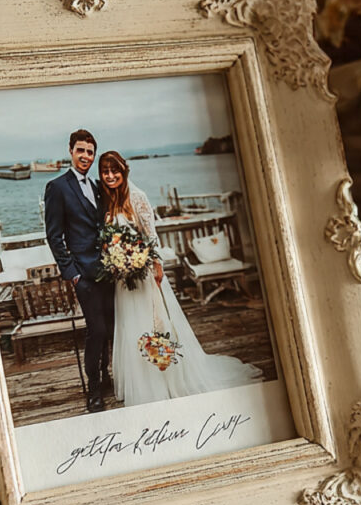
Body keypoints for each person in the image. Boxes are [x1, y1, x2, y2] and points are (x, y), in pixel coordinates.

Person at [97, 151, 262, 407]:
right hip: (122, 280)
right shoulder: (107, 202)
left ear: (123, 170)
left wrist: (155, 264)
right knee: (130, 325)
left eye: (114, 170)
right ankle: (140, 382)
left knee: (152, 323)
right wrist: (116, 260)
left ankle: (164, 379)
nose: (110, 176)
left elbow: (151, 236)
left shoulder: (137, 198)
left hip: (143, 275)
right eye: (105, 172)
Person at [44, 129, 115, 413]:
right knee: (95, 331)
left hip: (108, 271)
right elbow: (54, 235)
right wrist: (71, 272)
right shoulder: (57, 187)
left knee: (109, 328)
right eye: (81, 150)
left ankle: (107, 374)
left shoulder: (98, 186)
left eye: (90, 151)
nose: (85, 156)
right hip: (83, 275)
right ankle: (93, 389)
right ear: (71, 152)